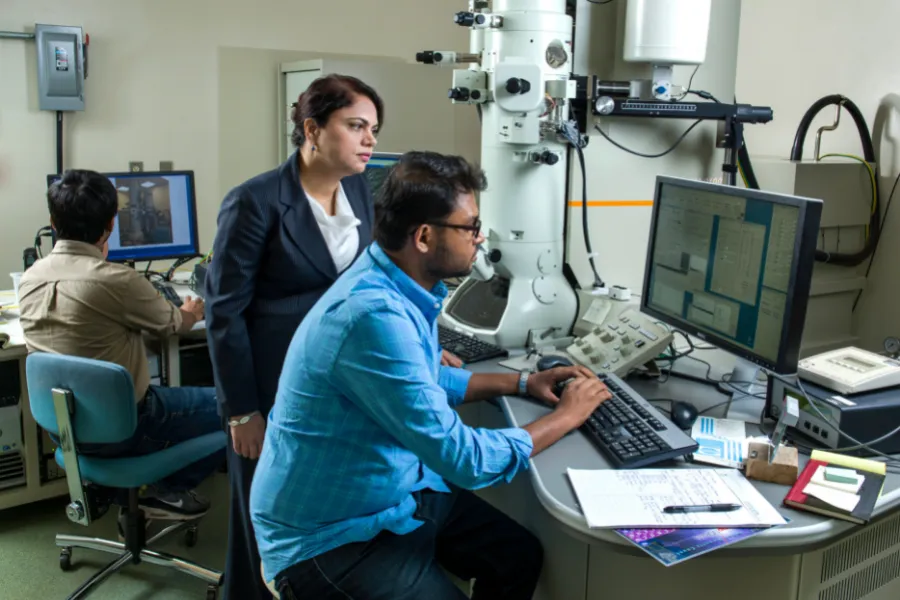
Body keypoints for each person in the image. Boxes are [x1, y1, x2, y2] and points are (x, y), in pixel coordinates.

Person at [250, 151, 612, 600]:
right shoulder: (373, 315)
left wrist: (521, 383)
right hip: (329, 542)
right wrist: (569, 416)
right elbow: (465, 459)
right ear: (423, 236)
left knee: (516, 555)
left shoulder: (395, 280)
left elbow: (419, 383)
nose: (480, 240)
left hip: (392, 496)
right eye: (471, 227)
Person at [205, 74, 392, 600]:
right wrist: (241, 410)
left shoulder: (359, 188)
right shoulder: (256, 201)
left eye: (373, 128)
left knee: (320, 513)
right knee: (262, 519)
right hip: (269, 385)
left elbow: (370, 281)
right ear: (312, 129)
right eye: (356, 126)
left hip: (334, 383)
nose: (369, 140)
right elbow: (223, 312)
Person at [17, 169, 222, 519]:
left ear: (53, 221)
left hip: (62, 430)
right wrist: (188, 308)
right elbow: (174, 324)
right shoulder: (117, 281)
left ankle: (130, 489)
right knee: (239, 405)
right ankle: (163, 490)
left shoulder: (30, 277)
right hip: (129, 429)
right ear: (111, 225)